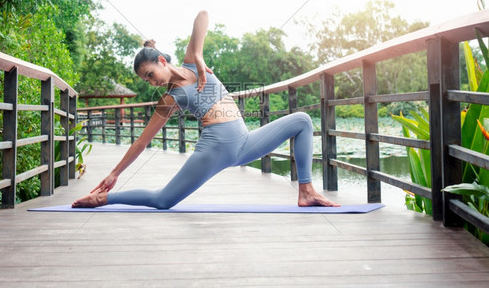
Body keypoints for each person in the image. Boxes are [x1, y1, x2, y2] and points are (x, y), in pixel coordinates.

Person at [72, 11, 339, 209]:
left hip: (245, 143)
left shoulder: (191, 62)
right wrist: (114, 173)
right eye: (148, 80)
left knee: (302, 121)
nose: (153, 82)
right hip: (215, 149)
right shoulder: (169, 99)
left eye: (151, 74)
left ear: (162, 61)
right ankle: (103, 198)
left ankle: (306, 191)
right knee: (163, 200)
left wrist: (199, 57)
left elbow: (202, 16)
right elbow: (142, 142)